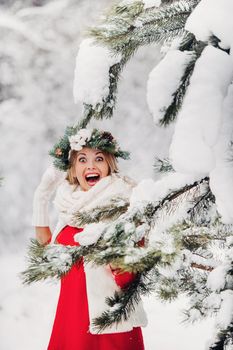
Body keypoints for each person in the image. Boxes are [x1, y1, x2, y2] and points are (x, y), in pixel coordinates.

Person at [32, 127, 147, 350]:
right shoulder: (71, 207)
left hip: (109, 329)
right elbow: (48, 255)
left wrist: (114, 254)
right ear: (73, 169)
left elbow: (131, 275)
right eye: (82, 159)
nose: (91, 166)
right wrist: (42, 195)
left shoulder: (124, 204)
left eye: (99, 158)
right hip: (70, 323)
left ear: (109, 165)